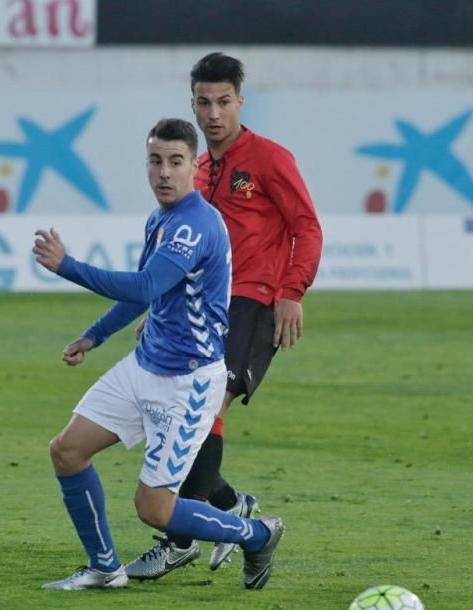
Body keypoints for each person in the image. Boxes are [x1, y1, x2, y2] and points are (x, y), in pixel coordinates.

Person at [35, 118, 284, 591]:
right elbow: (147, 292)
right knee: (67, 451)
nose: (164, 172)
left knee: (154, 508)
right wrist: (95, 335)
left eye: (175, 162)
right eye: (155, 161)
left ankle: (257, 533)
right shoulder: (161, 219)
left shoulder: (194, 224)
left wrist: (67, 266)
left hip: (187, 385)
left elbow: (147, 284)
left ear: (194, 166)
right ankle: (105, 569)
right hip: (142, 367)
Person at [125, 53, 322, 580]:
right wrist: (162, 310)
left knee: (208, 401)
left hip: (256, 299)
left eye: (223, 102)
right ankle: (231, 507)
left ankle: (178, 538)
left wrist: (291, 290)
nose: (213, 113)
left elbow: (307, 226)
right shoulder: (199, 168)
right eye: (203, 103)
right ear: (192, 103)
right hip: (201, 307)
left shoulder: (270, 159)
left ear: (240, 101)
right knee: (177, 411)